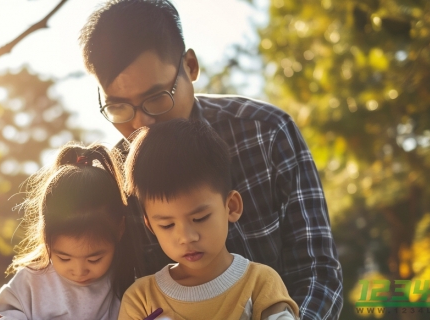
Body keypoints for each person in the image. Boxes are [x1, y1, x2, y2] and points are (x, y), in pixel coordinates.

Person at [79, 1, 343, 318]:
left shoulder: (267, 133)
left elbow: (318, 273)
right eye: (119, 107)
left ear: (190, 66)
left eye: (156, 98)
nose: (140, 123)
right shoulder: (116, 178)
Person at [119, 119, 299, 320]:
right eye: (167, 225)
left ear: (231, 206)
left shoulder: (261, 283)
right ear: (150, 225)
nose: (186, 237)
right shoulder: (142, 298)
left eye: (200, 218)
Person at [0, 144, 143, 320]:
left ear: (120, 229)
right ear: (46, 238)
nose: (79, 271)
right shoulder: (32, 280)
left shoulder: (128, 279)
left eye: (94, 259)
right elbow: (2, 313)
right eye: (64, 258)